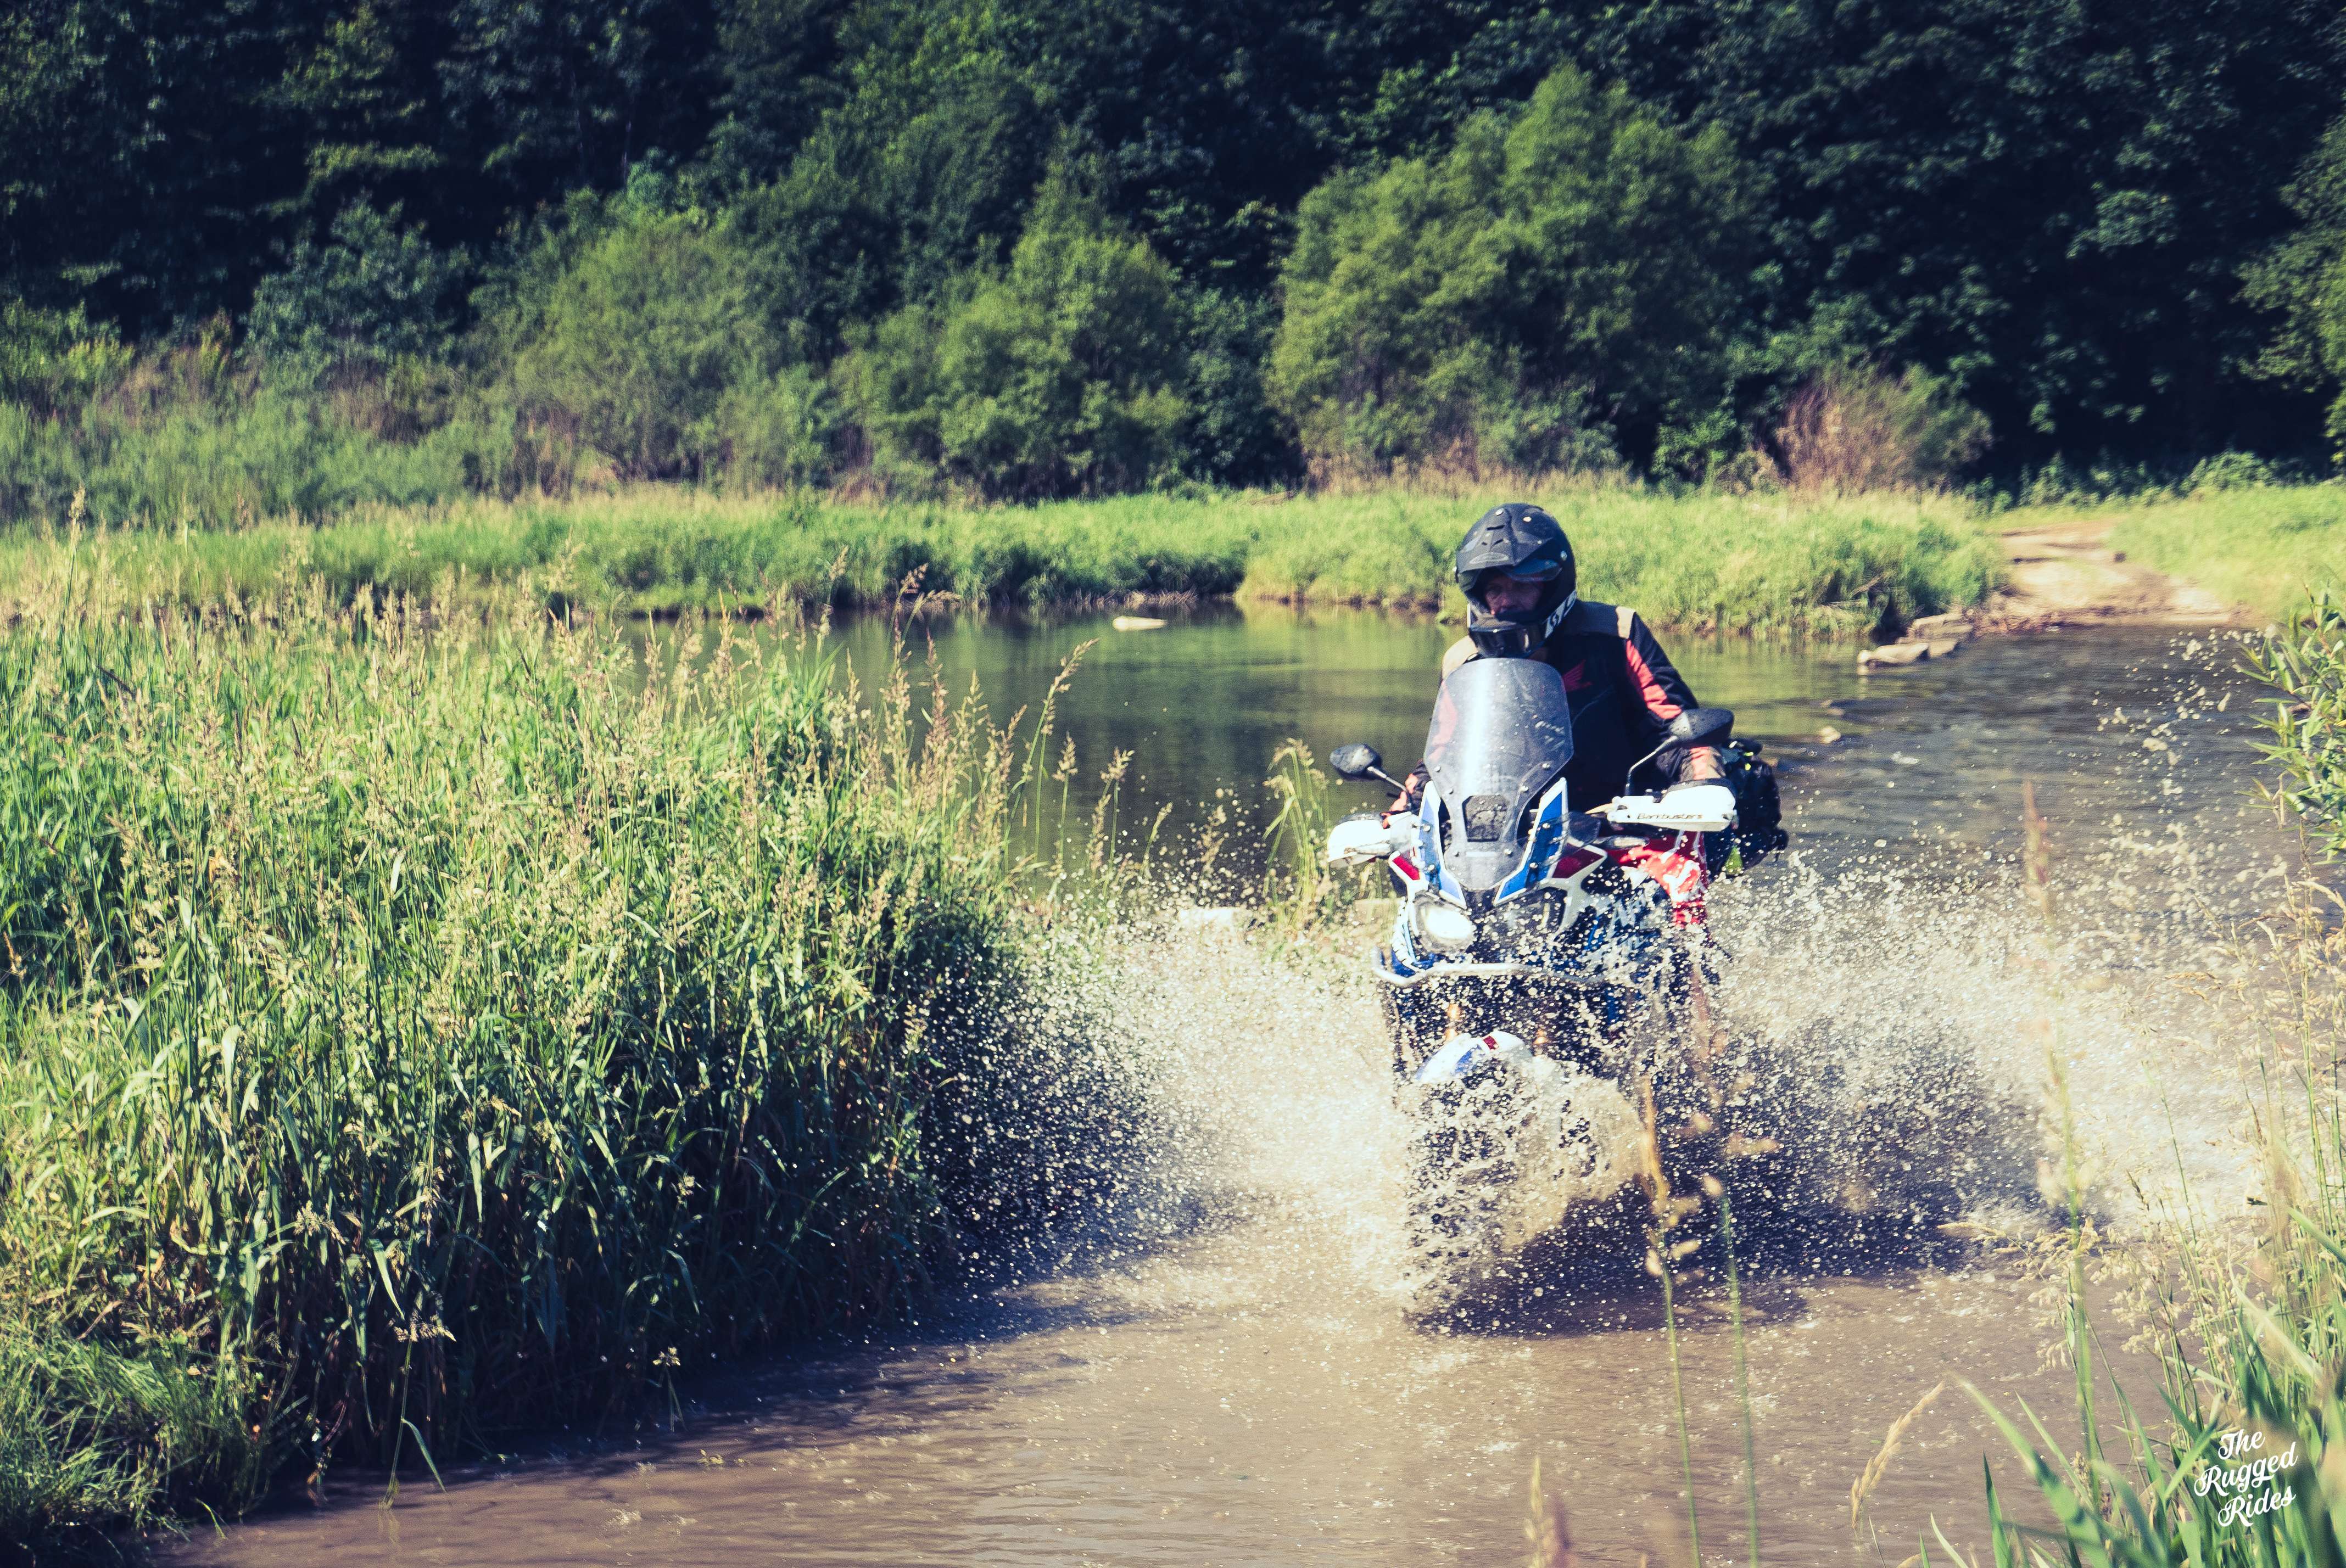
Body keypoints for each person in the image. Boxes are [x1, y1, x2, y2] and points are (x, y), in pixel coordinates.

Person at [1395, 502, 1723, 919]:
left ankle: (1693, 979)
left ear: (1552, 587)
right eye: (1495, 589)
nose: (1506, 602)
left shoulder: (1616, 633)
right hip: (1508, 836)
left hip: (1617, 825)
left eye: (1521, 586)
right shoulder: (1464, 660)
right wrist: (1396, 816)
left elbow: (1676, 728)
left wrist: (1706, 786)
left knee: (1680, 885)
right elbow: (1441, 756)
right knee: (1419, 891)